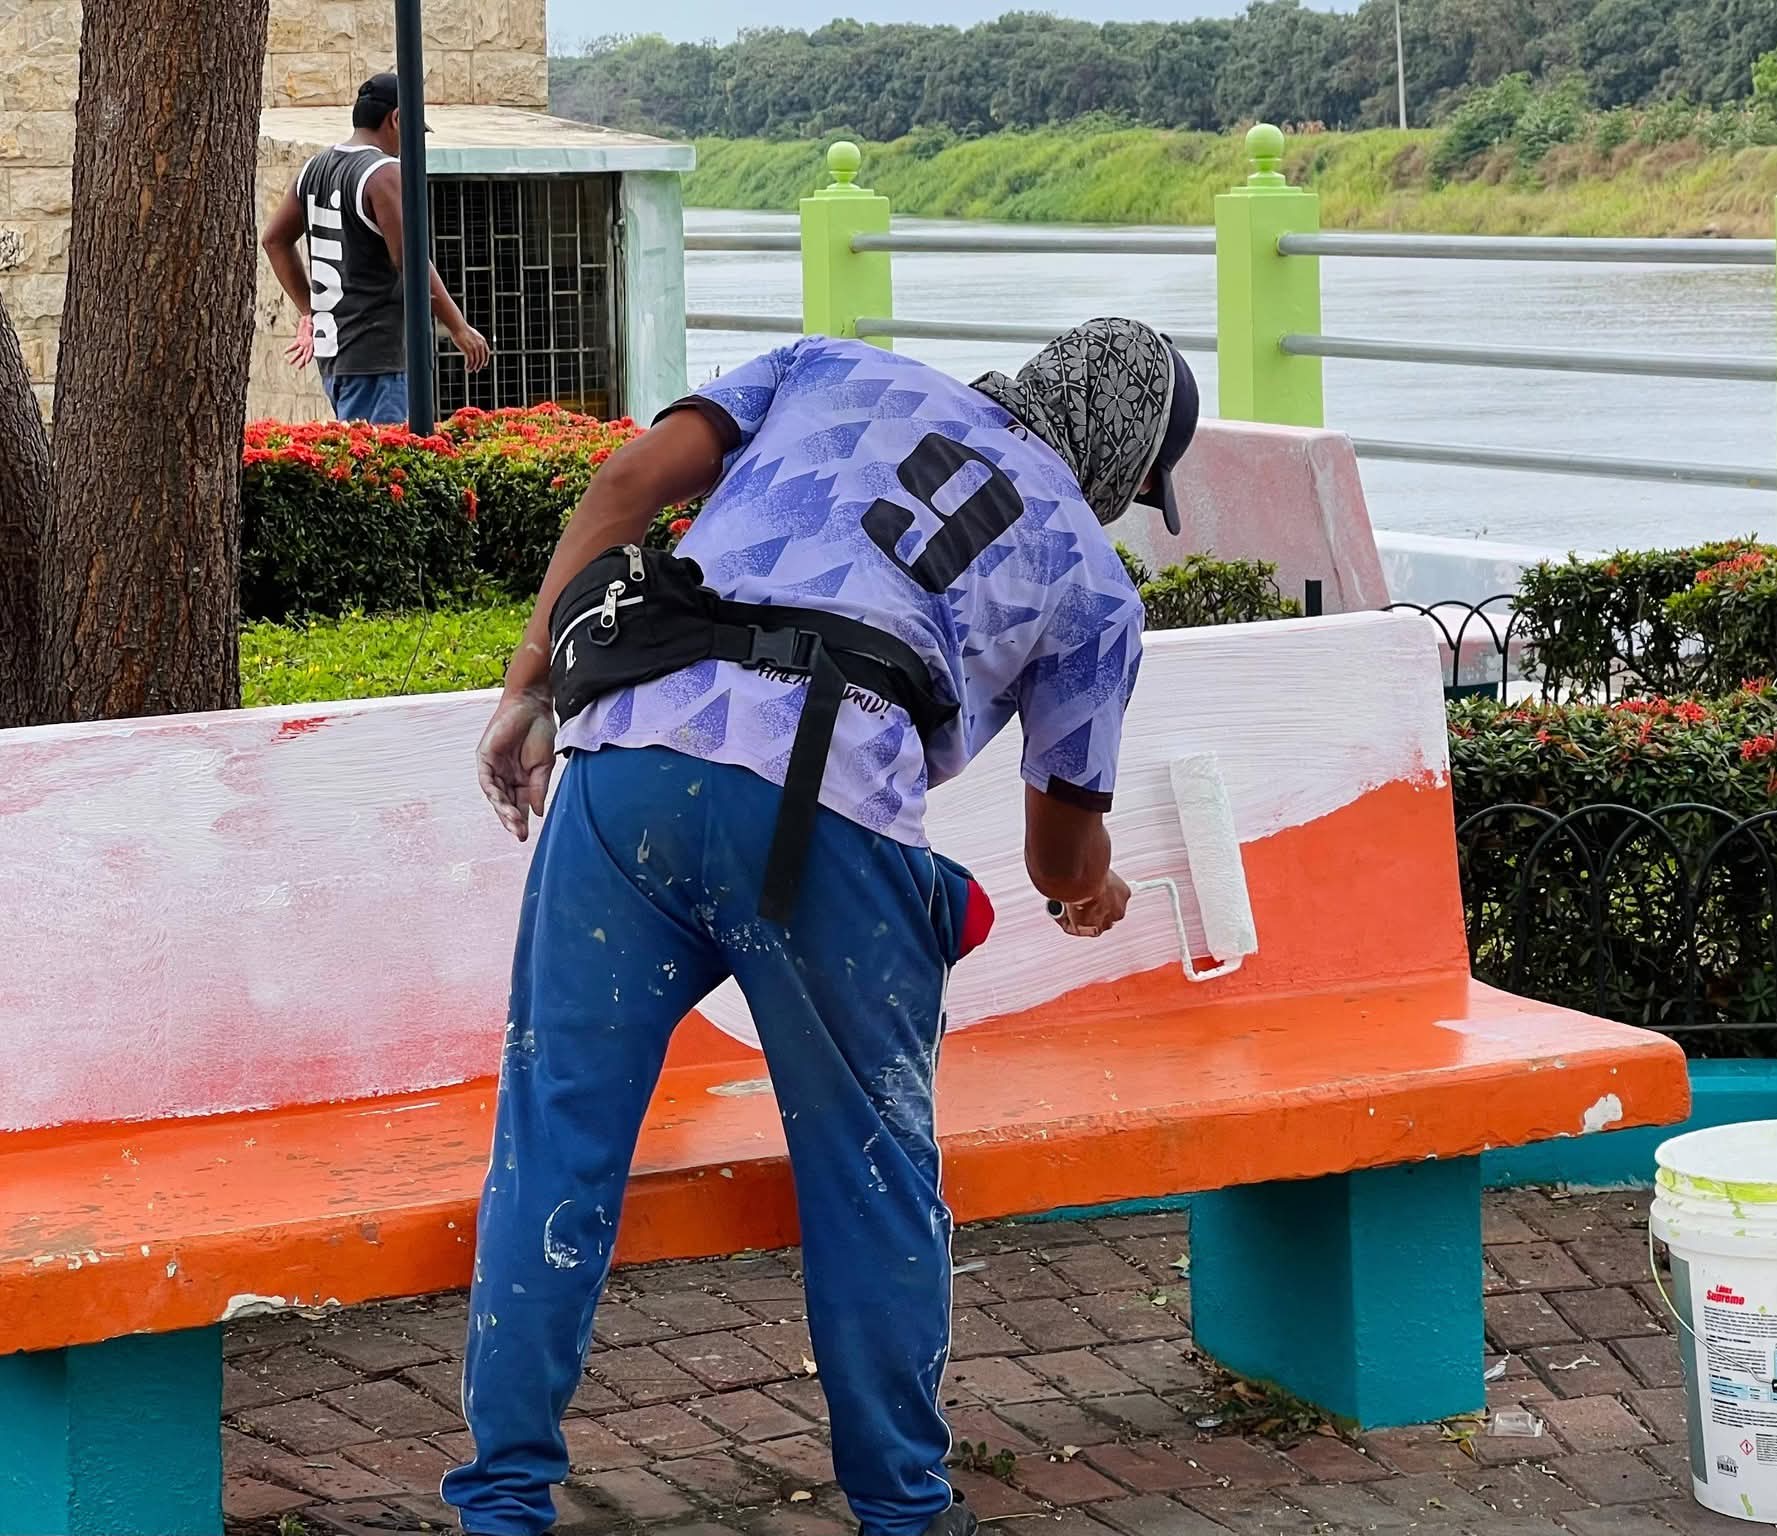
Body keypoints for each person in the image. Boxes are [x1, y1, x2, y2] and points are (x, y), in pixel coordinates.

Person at [447, 318, 1199, 1536]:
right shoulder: (1091, 577)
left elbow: (625, 483)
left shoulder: (831, 366)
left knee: (553, 1142)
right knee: (868, 1174)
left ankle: (501, 1504)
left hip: (627, 762)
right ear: (1122, 463)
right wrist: (1088, 892)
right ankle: (903, 1511)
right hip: (824, 820)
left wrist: (529, 683)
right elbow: (1059, 852)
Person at [259, 71, 490, 424]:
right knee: (383, 457)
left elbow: (274, 240)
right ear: (396, 119)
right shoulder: (383, 173)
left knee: (359, 452)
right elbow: (411, 262)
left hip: (336, 358)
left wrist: (311, 311)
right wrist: (459, 328)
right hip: (376, 360)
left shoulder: (315, 168)